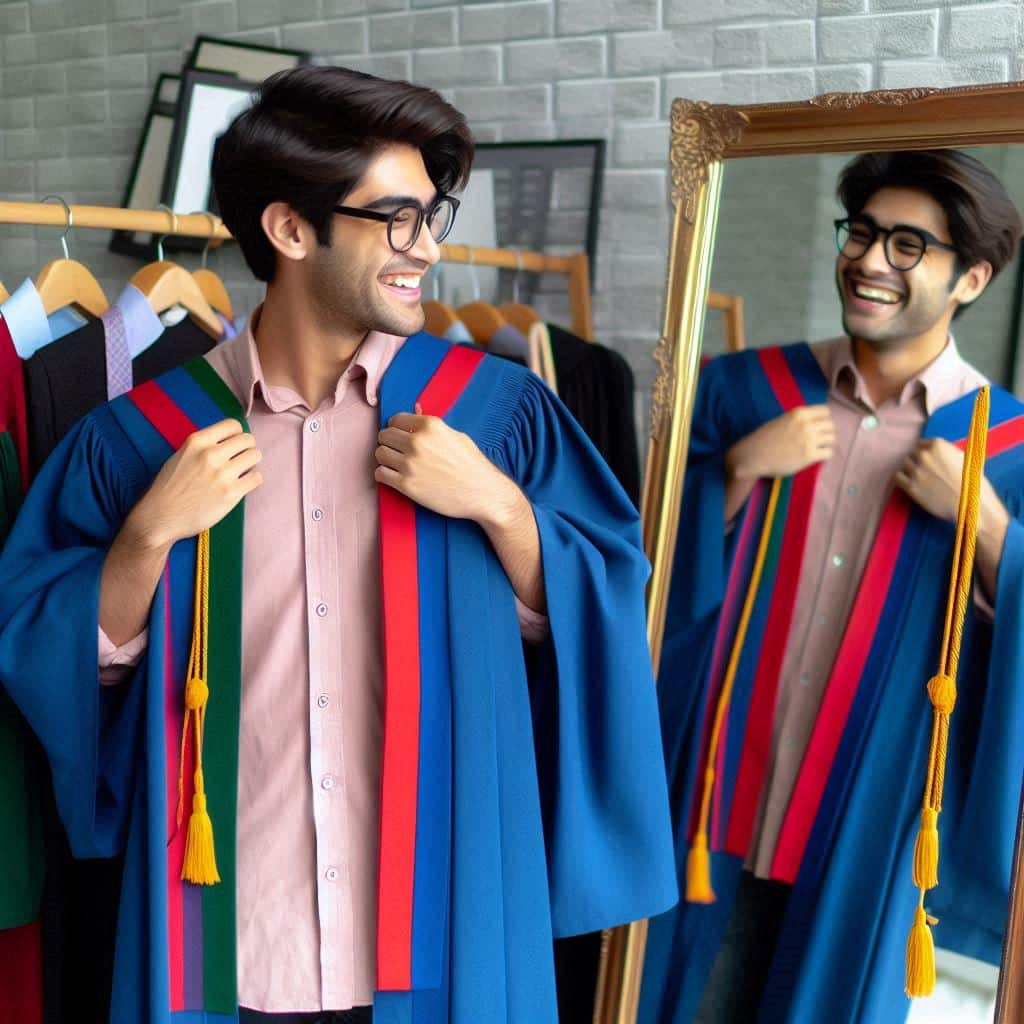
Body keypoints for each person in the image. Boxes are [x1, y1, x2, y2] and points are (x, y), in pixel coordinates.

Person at [0, 66, 676, 1024]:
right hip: (230, 937)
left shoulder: (497, 417)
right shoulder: (141, 443)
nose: (429, 248)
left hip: (441, 921)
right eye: (398, 218)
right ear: (289, 229)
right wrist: (147, 536)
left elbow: (604, 601)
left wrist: (498, 506)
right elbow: (52, 656)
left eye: (433, 214)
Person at [639, 149, 1024, 1023]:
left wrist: (996, 536)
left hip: (869, 816)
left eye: (907, 245)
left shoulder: (1006, 450)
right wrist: (733, 471)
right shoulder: (743, 392)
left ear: (970, 279)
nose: (869, 260)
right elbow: (641, 569)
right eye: (860, 232)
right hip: (709, 794)